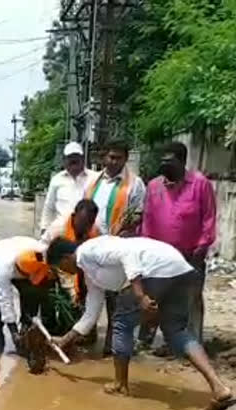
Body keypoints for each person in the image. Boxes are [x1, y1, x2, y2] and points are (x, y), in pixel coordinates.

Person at [47, 236, 235, 410]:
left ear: (65, 258)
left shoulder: (88, 251)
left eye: (60, 268)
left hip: (155, 271)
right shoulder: (90, 275)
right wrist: (65, 340)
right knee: (176, 331)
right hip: (179, 271)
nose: (63, 273)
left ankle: (120, 385)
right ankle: (219, 388)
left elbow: (127, 253)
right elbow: (91, 314)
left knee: (121, 322)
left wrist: (139, 295)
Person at [140, 142, 215, 348]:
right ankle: (157, 341)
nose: (164, 165)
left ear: (182, 162)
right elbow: (147, 219)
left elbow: (209, 219)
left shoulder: (201, 184)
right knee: (158, 297)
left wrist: (201, 247)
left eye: (169, 161)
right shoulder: (154, 186)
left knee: (191, 300)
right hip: (159, 256)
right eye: (162, 161)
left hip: (191, 255)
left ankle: (193, 344)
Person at [84, 139, 146, 356]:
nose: (114, 161)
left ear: (126, 159)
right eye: (110, 157)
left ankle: (113, 343)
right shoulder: (93, 181)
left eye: (119, 157)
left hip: (118, 247)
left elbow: (138, 214)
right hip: (92, 246)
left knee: (115, 298)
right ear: (103, 157)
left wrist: (125, 227)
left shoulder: (135, 184)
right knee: (90, 291)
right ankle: (88, 334)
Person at [0, 236, 55, 353]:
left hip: (20, 249)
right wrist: (13, 332)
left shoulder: (41, 252)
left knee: (31, 293)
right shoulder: (4, 269)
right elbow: (5, 300)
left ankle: (25, 328)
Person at [39, 142, 99, 235]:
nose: (73, 159)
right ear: (64, 160)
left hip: (87, 233)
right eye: (70, 157)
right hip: (61, 232)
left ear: (83, 159)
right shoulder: (57, 180)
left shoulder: (95, 178)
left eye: (76, 156)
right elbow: (49, 207)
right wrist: (44, 228)